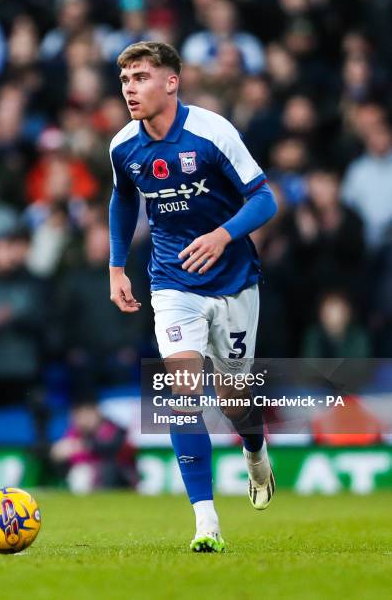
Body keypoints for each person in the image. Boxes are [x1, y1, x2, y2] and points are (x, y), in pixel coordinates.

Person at [108, 41, 277, 553]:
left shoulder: (212, 132)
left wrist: (223, 235)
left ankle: (254, 450)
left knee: (235, 402)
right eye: (125, 80)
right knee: (183, 392)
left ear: (171, 82)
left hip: (234, 281)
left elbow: (265, 198)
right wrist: (117, 266)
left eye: (140, 77)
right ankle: (206, 521)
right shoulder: (123, 146)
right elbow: (122, 197)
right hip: (172, 281)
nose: (130, 89)